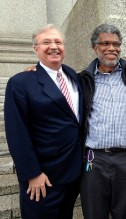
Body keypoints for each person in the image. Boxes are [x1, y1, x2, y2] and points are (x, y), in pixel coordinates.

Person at [4, 24, 83, 219]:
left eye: (58, 42)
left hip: (72, 173)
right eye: (46, 42)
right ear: (35, 49)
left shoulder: (73, 76)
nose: (53, 46)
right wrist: (32, 173)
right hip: (43, 178)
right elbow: (17, 133)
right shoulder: (20, 83)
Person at [79, 24, 126, 219]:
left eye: (116, 44)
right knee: (94, 213)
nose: (112, 48)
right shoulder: (82, 80)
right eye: (105, 43)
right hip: (94, 160)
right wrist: (34, 71)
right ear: (95, 47)